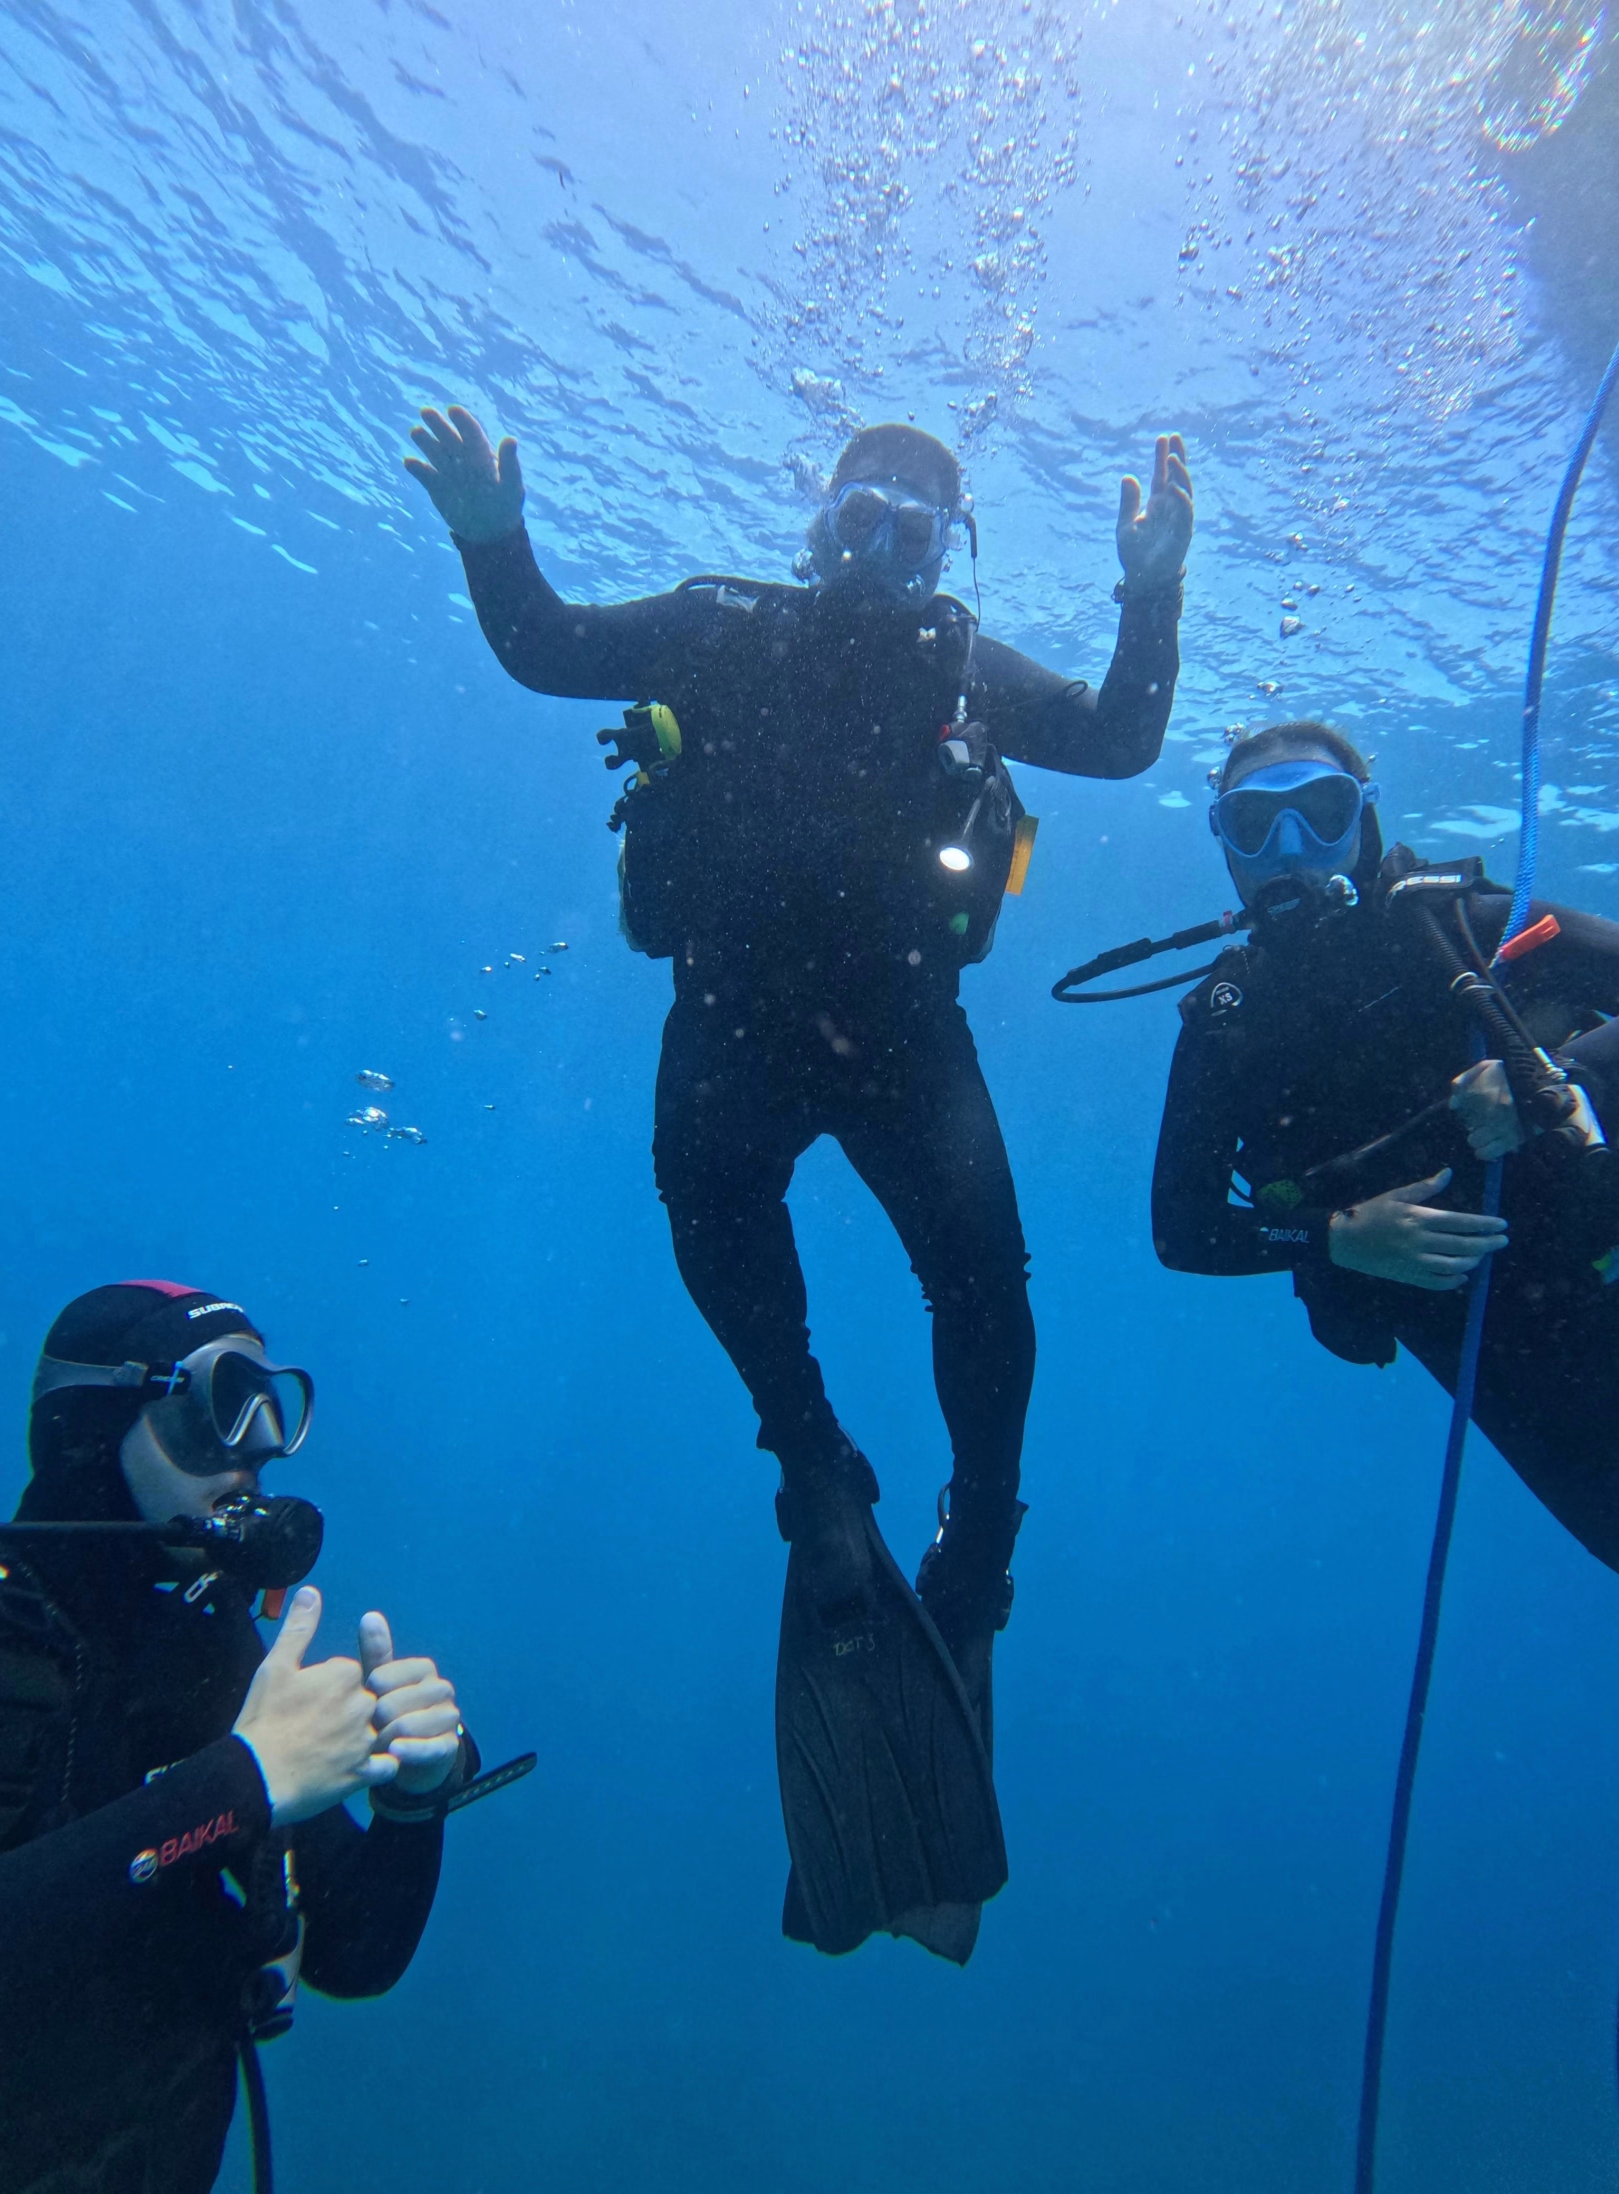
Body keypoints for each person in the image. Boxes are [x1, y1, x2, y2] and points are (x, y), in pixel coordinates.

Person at [405, 404, 1193, 1961]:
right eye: (864, 499)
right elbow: (547, 647)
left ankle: (976, 1541)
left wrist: (1150, 585)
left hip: (904, 1031)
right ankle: (816, 1464)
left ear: (948, 542)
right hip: (740, 1019)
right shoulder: (716, 627)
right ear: (817, 513)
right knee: (711, 1208)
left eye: (919, 511)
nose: (885, 524)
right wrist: (493, 539)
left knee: (987, 1285)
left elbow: (1117, 738)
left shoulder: (965, 665)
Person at [1148, 719, 1619, 2190]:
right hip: (1515, 1370)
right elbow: (1179, 1227)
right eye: (1255, 826)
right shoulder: (1228, 1017)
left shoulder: (1474, 931)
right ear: (1225, 849)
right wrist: (1329, 1233)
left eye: (1319, 814)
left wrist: (1577, 1068)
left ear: (1370, 819)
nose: (1290, 852)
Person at [0, 1281, 481, 2194]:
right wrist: (238, 1787)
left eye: (273, 1412)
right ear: (90, 1431)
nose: (255, 1456)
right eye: (211, 1414)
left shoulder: (210, 1658)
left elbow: (357, 1954)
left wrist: (411, 1807)